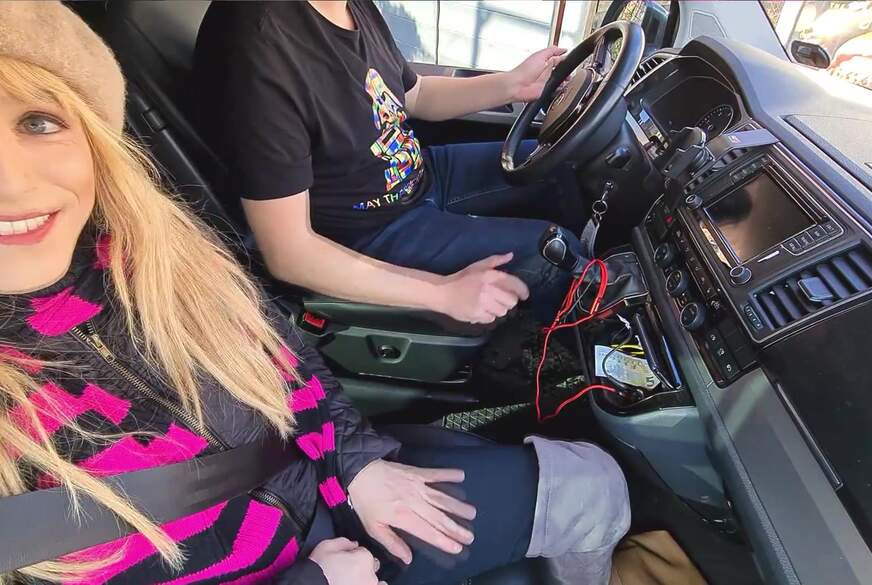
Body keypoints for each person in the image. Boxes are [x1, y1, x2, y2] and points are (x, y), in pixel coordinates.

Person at [0, 3, 629, 585]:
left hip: (319, 468)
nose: (10, 182)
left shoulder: (138, 253)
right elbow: (289, 252)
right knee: (590, 474)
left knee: (567, 169)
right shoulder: (262, 41)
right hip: (305, 547)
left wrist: (355, 464)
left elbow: (275, 346)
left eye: (37, 122)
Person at [194, 0, 588, 325]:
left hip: (418, 174)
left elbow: (413, 95)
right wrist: (443, 293)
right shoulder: (261, 50)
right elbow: (290, 252)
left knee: (560, 162)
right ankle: (564, 357)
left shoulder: (348, 7)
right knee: (555, 253)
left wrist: (510, 84)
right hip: (366, 230)